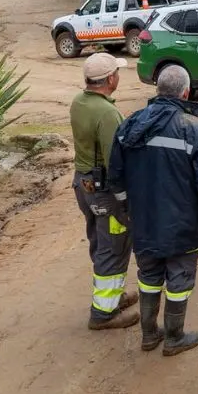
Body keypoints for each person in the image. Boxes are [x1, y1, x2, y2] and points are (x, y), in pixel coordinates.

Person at [108, 66, 198, 356]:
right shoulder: (195, 128)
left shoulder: (130, 124)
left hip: (144, 221)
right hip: (183, 224)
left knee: (148, 274)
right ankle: (174, 336)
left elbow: (115, 174)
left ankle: (149, 334)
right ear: (186, 92)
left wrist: (129, 209)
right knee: (179, 279)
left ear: (157, 90)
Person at [69, 52, 137, 330]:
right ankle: (103, 314)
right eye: (117, 73)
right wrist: (128, 197)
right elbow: (116, 162)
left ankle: (112, 298)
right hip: (104, 189)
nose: (118, 77)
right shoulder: (107, 113)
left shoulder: (79, 102)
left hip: (84, 183)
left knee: (100, 240)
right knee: (114, 243)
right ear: (110, 79)